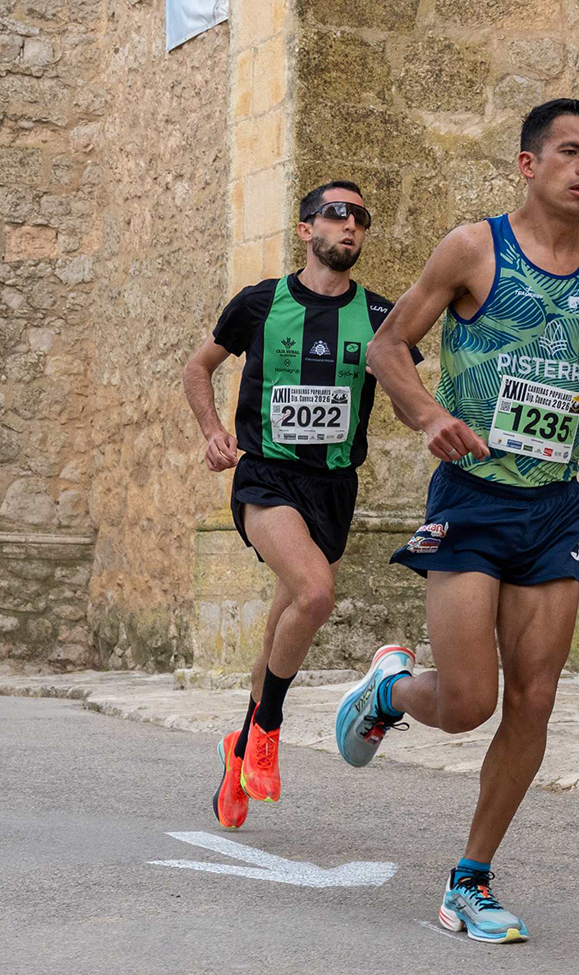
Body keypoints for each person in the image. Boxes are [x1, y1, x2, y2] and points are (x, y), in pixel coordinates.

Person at [336, 99, 579, 943]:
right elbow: (387, 348)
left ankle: (471, 878)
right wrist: (427, 416)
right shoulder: (473, 248)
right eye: (570, 152)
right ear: (528, 164)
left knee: (533, 699)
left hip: (551, 507)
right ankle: (388, 688)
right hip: (472, 499)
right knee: (466, 703)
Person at [182, 180, 419, 830]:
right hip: (265, 478)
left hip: (333, 489)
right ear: (306, 227)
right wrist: (211, 432)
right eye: (336, 213)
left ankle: (239, 747)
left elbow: (407, 391)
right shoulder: (262, 303)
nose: (350, 225)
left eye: (360, 217)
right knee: (315, 594)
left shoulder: (379, 317)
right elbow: (197, 368)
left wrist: (424, 411)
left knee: (285, 618)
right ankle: (269, 729)